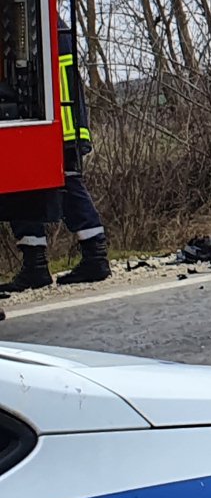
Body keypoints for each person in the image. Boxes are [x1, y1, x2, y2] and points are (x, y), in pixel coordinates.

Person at [0, 17, 109, 292]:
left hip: (55, 121)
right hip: (58, 120)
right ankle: (39, 264)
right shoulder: (44, 21)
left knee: (63, 179)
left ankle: (92, 256)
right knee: (27, 182)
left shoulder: (34, 23)